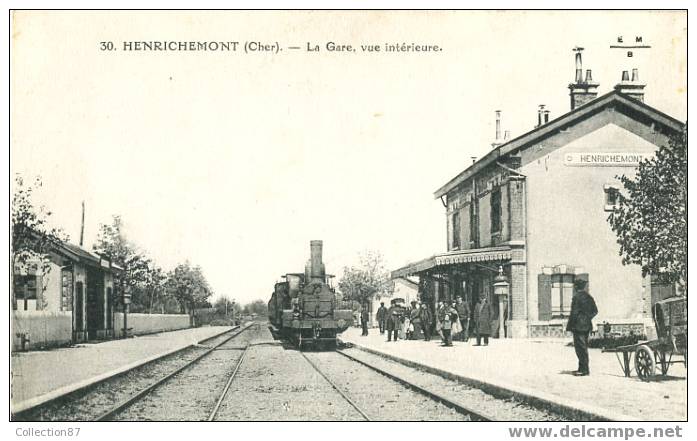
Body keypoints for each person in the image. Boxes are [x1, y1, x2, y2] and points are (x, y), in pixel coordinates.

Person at [566, 279, 598, 376]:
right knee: (583, 347)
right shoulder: (589, 297)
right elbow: (595, 311)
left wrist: (570, 326)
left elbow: (574, 313)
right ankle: (581, 368)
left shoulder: (576, 298)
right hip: (587, 325)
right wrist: (587, 318)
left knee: (580, 348)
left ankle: (584, 370)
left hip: (578, 326)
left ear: (576, 287)